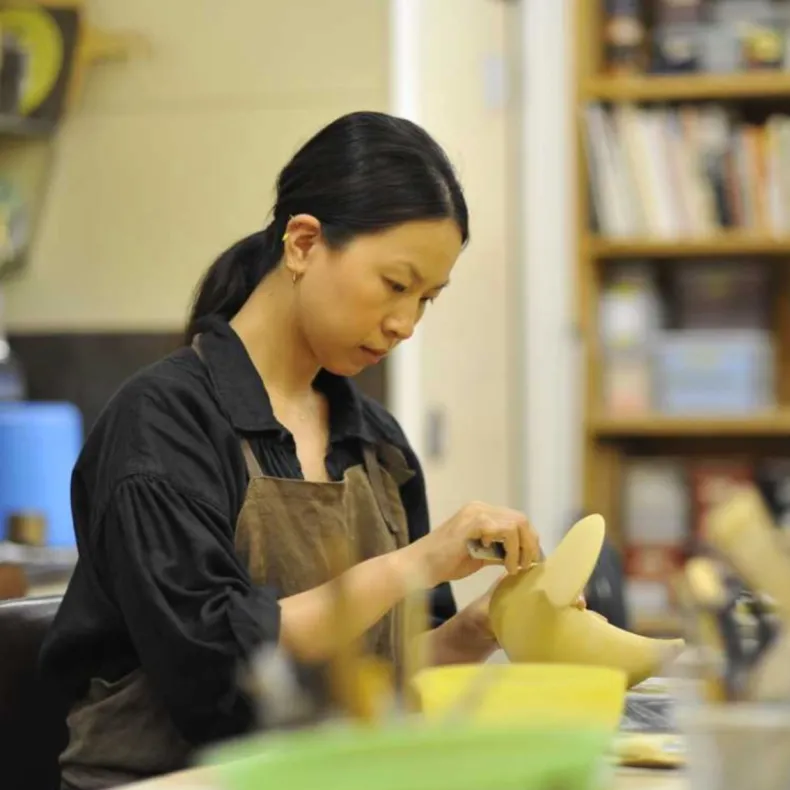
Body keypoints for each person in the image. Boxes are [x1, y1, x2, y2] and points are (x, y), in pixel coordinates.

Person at [40, 111, 542, 790]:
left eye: (428, 299)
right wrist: (411, 564)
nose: (405, 324)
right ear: (304, 243)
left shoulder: (377, 446)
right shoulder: (163, 423)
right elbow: (220, 672)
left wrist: (481, 630)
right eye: (396, 285)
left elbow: (391, 681)